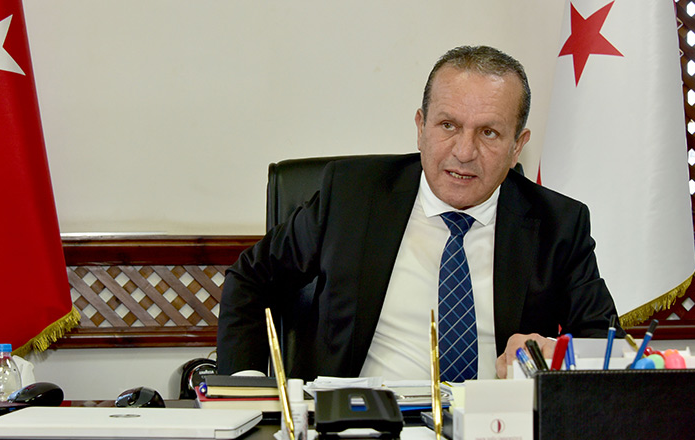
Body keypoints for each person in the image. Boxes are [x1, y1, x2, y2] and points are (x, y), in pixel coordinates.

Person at [216, 45, 621, 381]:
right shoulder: (353, 195)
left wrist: (556, 359)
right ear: (421, 126)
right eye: (448, 125)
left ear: (518, 146)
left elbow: (605, 343)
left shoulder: (558, 224)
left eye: (489, 132)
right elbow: (251, 278)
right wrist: (245, 391)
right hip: (363, 423)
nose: (464, 151)